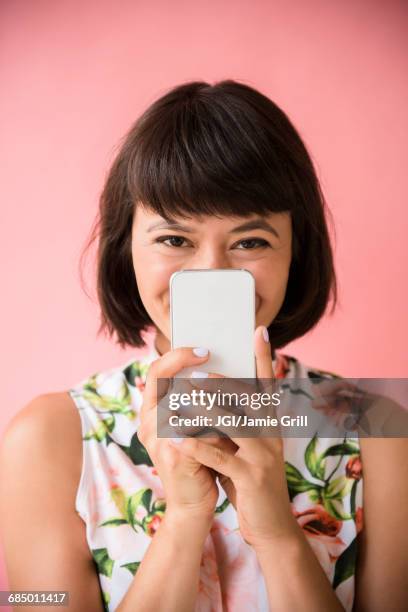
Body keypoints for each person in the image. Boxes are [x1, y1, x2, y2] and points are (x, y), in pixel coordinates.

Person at [0, 80, 406, 612]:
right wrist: (185, 520)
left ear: (294, 255)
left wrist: (278, 532)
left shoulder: (381, 434)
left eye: (251, 242)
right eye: (175, 239)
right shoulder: (48, 440)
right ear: (127, 249)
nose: (212, 271)